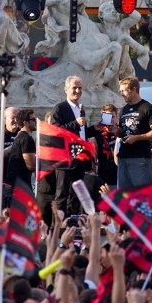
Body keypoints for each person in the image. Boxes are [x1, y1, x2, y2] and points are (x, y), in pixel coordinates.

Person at [51, 76, 99, 214]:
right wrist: (76, 123)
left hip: (79, 158)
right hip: (65, 159)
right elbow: (56, 131)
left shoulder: (81, 109)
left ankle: (74, 222)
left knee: (77, 194)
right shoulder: (59, 109)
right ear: (66, 89)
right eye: (74, 88)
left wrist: (94, 128)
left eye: (80, 88)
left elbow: (81, 134)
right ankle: (59, 227)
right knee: (62, 194)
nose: (78, 91)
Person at [116, 77, 152, 189]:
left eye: (123, 91)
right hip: (123, 157)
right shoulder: (123, 110)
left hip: (140, 158)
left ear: (133, 89)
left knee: (142, 196)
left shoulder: (148, 108)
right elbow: (122, 132)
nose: (121, 94)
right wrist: (115, 130)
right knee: (124, 197)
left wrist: (136, 138)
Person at [4, 109, 37, 207]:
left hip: (17, 186)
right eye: (33, 119)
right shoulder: (26, 139)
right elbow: (31, 166)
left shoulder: (22, 137)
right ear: (25, 123)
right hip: (17, 189)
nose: (36, 121)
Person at [0, 107, 19, 215]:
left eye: (17, 117)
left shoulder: (23, 134)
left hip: (18, 183)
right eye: (12, 118)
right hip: (0, 182)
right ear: (4, 118)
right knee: (0, 216)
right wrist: (11, 147)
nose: (15, 120)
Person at [89, 104, 119, 190]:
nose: (111, 120)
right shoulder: (96, 137)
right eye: (107, 117)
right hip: (105, 182)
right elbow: (92, 162)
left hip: (122, 179)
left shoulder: (121, 132)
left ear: (116, 117)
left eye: (113, 116)